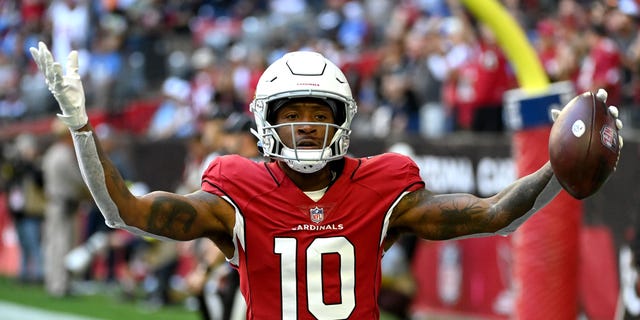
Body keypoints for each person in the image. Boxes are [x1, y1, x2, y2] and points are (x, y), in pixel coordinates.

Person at [30, 42, 624, 318]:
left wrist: (557, 168)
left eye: (319, 114)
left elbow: (498, 214)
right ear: (266, 124)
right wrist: (82, 127)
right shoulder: (233, 190)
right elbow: (121, 212)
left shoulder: (384, 185)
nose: (307, 128)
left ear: (343, 121)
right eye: (291, 116)